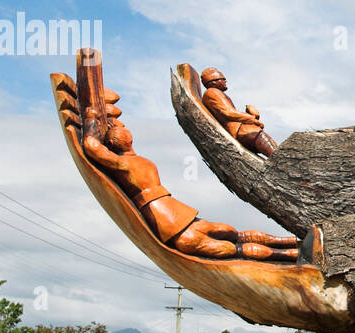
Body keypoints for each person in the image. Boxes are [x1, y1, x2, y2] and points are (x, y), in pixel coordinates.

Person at [83, 109, 299, 260]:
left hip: (165, 218)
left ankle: (290, 253)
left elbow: (91, 146)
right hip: (175, 209)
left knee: (231, 248)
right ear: (130, 141)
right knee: (231, 233)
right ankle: (293, 245)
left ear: (112, 144)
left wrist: (91, 118)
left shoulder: (124, 164)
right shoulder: (143, 162)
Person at [200, 67, 277, 156]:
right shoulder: (212, 92)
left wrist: (252, 115)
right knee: (273, 152)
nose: (225, 81)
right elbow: (228, 112)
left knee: (271, 147)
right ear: (213, 81)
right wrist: (252, 119)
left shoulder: (216, 93)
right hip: (240, 130)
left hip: (241, 129)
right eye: (222, 79)